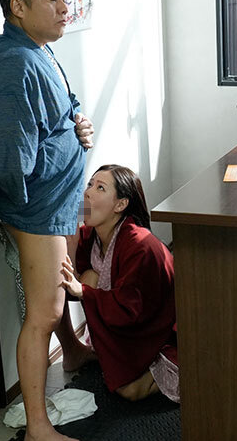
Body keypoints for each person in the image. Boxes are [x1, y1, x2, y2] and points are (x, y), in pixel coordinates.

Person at [0, 0, 95, 441]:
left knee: (59, 288)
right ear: (18, 7)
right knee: (43, 313)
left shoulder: (39, 51)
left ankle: (73, 351)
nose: (64, 6)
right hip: (38, 207)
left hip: (57, 199)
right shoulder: (15, 62)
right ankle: (39, 427)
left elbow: (61, 105)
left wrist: (78, 123)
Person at [60, 165, 179, 402]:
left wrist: (83, 292)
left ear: (120, 204)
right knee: (89, 278)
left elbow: (131, 308)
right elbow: (71, 287)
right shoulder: (90, 235)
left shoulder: (140, 244)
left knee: (130, 391)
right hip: (128, 319)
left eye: (100, 188)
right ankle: (91, 352)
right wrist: (71, 243)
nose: (88, 192)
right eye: (90, 184)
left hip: (162, 328)